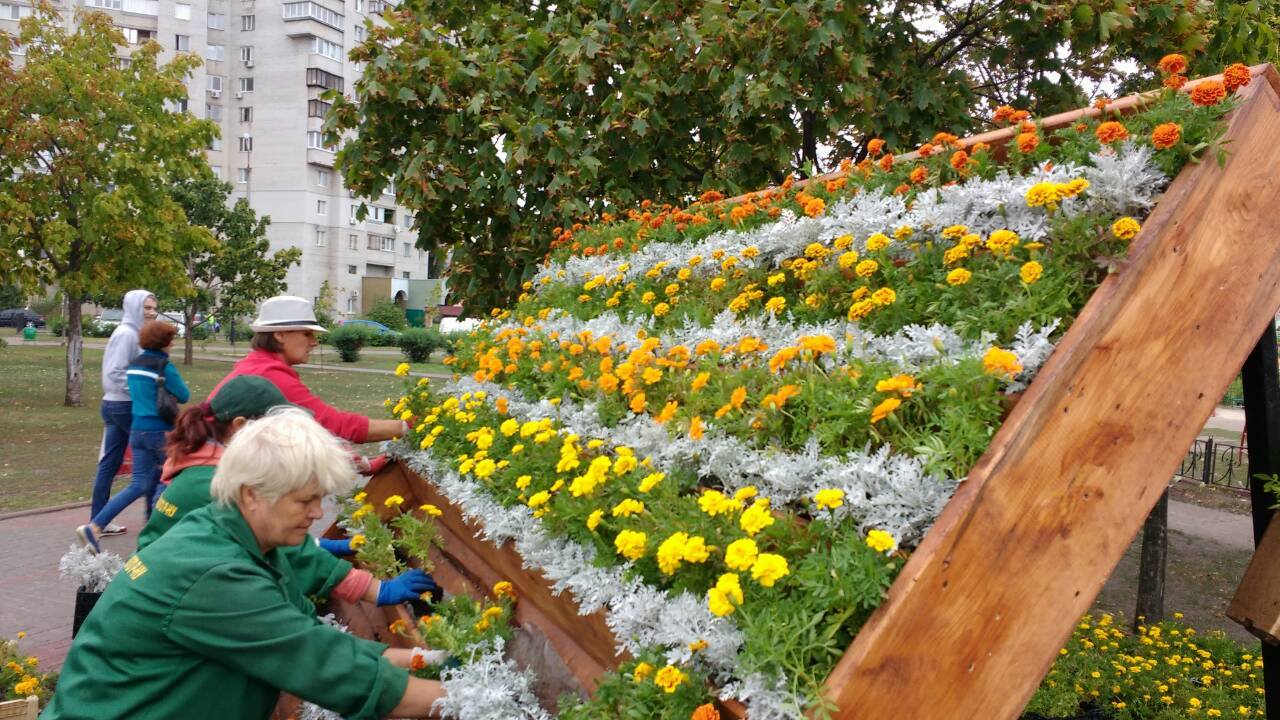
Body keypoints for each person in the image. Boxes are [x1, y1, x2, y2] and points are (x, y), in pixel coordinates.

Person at [43, 409, 445, 719]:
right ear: (252, 494)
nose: (317, 512)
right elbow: (335, 673)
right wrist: (476, 700)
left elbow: (314, 643)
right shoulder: (214, 574)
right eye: (304, 500)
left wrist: (428, 660)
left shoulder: (234, 538)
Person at [136, 375, 437, 610]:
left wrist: (325, 545)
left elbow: (267, 538)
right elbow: (291, 555)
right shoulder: (217, 484)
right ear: (241, 427)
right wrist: (377, 590)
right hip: (172, 598)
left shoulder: (208, 466)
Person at [209, 295, 407, 444]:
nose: (314, 342)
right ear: (279, 335)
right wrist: (405, 426)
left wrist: (361, 462)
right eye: (307, 334)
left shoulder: (259, 365)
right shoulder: (269, 375)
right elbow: (330, 424)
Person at [77, 320, 189, 553]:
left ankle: (95, 525)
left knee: (139, 484)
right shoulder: (163, 365)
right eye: (172, 338)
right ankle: (156, 529)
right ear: (164, 341)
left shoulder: (135, 364)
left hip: (137, 429)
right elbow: (184, 394)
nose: (174, 343)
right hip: (160, 430)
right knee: (166, 479)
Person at [88, 289, 157, 536]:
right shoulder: (127, 334)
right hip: (123, 405)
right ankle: (154, 524)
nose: (151, 312)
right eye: (146, 308)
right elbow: (115, 373)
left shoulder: (134, 333)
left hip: (116, 404)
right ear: (133, 307)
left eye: (152, 308)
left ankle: (98, 522)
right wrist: (142, 393)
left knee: (110, 463)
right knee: (154, 462)